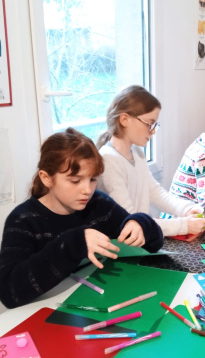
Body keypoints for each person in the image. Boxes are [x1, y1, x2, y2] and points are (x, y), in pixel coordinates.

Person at [0, 128, 163, 309]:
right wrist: (74, 244)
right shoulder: (23, 220)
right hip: (42, 311)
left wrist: (141, 224)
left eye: (92, 179)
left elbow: (154, 243)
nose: (87, 190)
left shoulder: (99, 204)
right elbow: (9, 293)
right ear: (46, 178)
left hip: (95, 301)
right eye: (75, 181)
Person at [96, 85, 205, 237]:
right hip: (121, 244)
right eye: (149, 124)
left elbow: (155, 192)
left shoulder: (137, 153)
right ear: (124, 119)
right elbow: (130, 220)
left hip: (141, 239)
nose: (153, 131)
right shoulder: (109, 160)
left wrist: (186, 209)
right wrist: (184, 225)